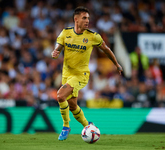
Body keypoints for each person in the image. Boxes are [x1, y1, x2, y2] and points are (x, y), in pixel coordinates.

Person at [51, 6, 123, 141]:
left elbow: (106, 49)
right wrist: (54, 53)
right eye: (84, 18)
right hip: (66, 74)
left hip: (81, 75)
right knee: (72, 106)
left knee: (60, 96)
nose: (87, 21)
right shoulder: (65, 33)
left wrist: (116, 64)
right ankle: (88, 126)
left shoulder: (92, 36)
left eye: (88, 18)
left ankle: (66, 126)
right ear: (76, 19)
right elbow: (58, 49)